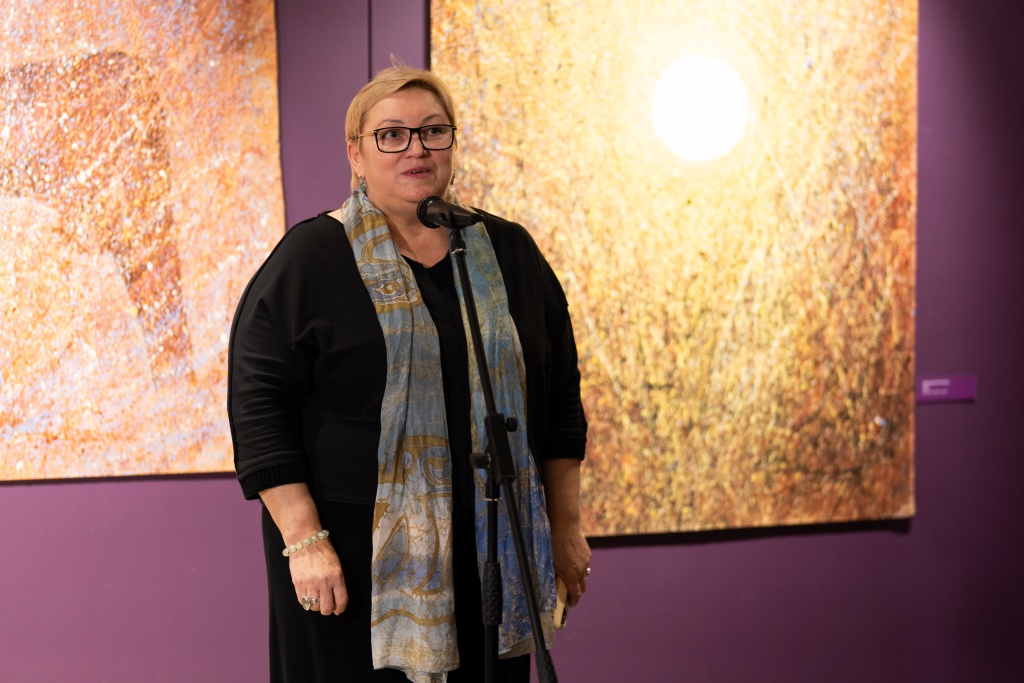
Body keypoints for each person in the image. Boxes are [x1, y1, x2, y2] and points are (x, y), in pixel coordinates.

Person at [228, 65, 590, 683]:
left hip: (492, 547)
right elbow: (258, 406)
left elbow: (557, 400)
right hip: (350, 557)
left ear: (451, 142)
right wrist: (304, 541)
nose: (416, 149)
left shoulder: (508, 251)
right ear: (357, 154)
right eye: (391, 134)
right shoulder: (311, 258)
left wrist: (567, 527)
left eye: (432, 131)